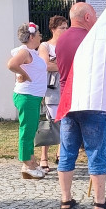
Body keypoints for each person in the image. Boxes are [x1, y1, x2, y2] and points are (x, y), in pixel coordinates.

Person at [56, 2, 106, 209]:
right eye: (95, 16)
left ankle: (66, 199)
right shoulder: (92, 40)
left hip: (68, 103)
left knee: (67, 152)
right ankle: (100, 202)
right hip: (91, 102)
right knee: (97, 151)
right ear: (87, 18)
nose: (97, 19)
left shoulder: (60, 39)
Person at [7, 22, 54, 179]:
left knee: (31, 129)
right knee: (27, 131)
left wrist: (23, 74)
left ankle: (31, 162)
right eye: (39, 33)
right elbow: (12, 64)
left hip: (32, 97)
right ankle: (27, 163)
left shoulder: (31, 53)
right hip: (26, 97)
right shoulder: (25, 51)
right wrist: (24, 75)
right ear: (32, 36)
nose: (41, 35)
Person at [38, 16, 68, 171]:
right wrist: (61, 65)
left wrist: (56, 64)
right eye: (62, 27)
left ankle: (60, 153)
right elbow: (45, 65)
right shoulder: (45, 46)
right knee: (49, 122)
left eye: (66, 27)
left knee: (65, 122)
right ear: (53, 29)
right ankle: (44, 156)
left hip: (66, 87)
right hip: (51, 88)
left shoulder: (68, 45)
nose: (65, 30)